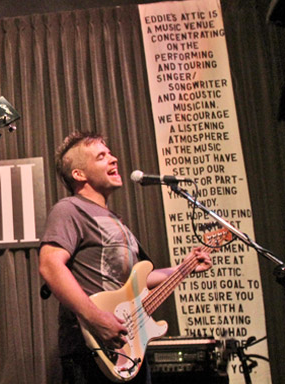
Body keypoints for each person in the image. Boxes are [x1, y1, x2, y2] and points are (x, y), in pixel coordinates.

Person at [38, 131, 212, 384]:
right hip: (92, 350)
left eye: (110, 153)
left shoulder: (116, 221)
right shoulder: (69, 209)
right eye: (101, 156)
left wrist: (184, 268)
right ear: (79, 174)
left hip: (129, 348)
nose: (114, 159)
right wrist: (96, 318)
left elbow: (138, 280)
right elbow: (50, 266)